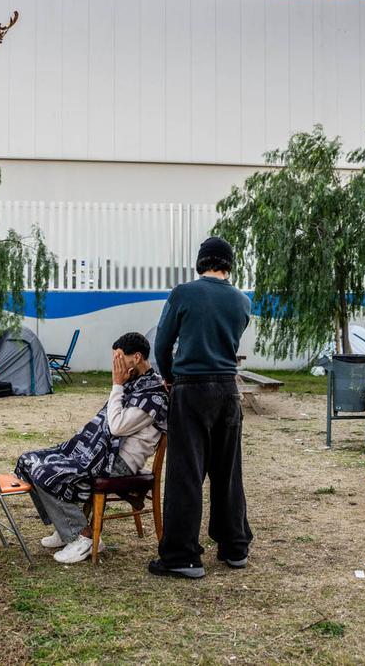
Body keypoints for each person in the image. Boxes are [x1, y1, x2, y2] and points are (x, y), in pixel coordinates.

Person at [15, 332, 168, 564]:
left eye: (119, 358)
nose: (116, 366)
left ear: (136, 357)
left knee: (46, 471)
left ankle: (81, 536)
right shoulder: (134, 383)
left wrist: (117, 385)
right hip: (101, 454)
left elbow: (116, 426)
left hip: (120, 463)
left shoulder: (153, 395)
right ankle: (65, 525)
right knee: (29, 461)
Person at [149, 236, 252, 579]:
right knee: (227, 472)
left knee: (186, 473)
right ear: (229, 264)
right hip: (227, 390)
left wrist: (168, 377)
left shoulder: (183, 293)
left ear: (200, 262)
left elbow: (162, 343)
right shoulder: (242, 301)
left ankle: (182, 556)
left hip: (190, 388)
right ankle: (234, 547)